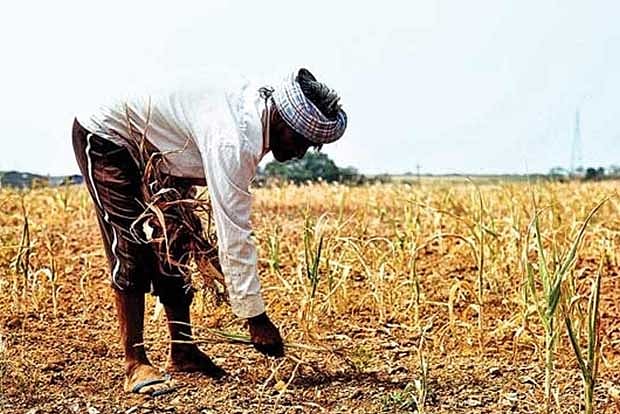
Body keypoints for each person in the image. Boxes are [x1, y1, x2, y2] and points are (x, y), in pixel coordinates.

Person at [72, 68, 347, 396]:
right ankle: (135, 363)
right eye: (300, 141)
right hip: (108, 135)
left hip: (161, 148)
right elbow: (234, 232)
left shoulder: (254, 119)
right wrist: (255, 318)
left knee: (177, 240)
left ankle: (183, 351)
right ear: (283, 121)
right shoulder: (234, 139)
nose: (300, 153)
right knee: (131, 246)